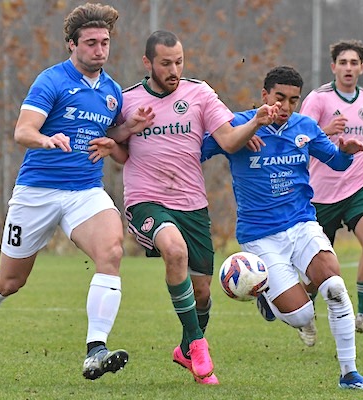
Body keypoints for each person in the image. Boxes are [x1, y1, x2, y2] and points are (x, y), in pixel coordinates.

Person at [0, 3, 151, 381]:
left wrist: (126, 130)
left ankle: (96, 349)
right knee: (11, 281)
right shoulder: (51, 81)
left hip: (84, 191)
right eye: (91, 43)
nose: (99, 49)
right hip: (37, 192)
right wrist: (46, 139)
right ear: (71, 45)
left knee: (111, 251)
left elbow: (107, 137)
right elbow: (23, 131)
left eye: (105, 42)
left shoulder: (112, 92)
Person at [108, 30, 279, 385]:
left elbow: (229, 140)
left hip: (192, 204)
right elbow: (117, 150)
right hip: (146, 200)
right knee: (174, 250)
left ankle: (186, 349)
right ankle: (199, 345)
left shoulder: (199, 93)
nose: (174, 70)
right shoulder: (127, 100)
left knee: (202, 292)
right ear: (147, 63)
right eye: (165, 63)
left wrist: (255, 122)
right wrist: (126, 129)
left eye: (179, 62)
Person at [201, 65, 363, 390]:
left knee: (336, 288)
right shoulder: (241, 124)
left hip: (302, 225)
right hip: (261, 238)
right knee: (300, 317)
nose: (285, 106)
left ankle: (349, 374)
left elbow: (336, 163)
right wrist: (249, 129)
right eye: (279, 98)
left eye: (293, 100)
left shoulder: (305, 127)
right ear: (264, 95)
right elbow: (201, 149)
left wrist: (345, 151)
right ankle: (268, 298)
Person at [299, 39, 363, 343]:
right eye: (343, 62)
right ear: (333, 66)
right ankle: (304, 312)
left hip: (359, 184)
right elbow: (297, 138)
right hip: (321, 193)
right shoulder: (318, 99)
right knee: (318, 267)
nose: (348, 68)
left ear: (362, 67)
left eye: (354, 63)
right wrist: (325, 132)